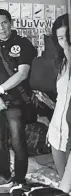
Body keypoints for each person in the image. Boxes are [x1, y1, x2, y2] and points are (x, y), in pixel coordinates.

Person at [0, 9, 37, 190]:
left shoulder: (23, 44)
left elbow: (22, 74)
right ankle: (4, 175)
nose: (1, 27)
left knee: (17, 140)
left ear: (10, 23)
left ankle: (19, 180)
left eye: (4, 22)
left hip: (15, 101)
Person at [48, 13, 71, 193]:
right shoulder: (62, 63)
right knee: (64, 181)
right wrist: (51, 128)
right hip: (58, 133)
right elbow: (60, 99)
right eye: (61, 38)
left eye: (68, 37)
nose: (65, 43)